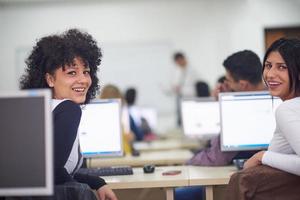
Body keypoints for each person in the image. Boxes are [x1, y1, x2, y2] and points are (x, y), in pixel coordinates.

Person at [19, 29, 117, 200]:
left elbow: (53, 172)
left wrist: (97, 182)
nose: (83, 79)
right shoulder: (68, 109)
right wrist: (92, 183)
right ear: (50, 79)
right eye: (72, 73)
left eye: (86, 71)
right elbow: (52, 173)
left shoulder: (39, 109)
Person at [175, 50, 265, 200]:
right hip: (264, 183)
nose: (225, 84)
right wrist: (226, 100)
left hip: (245, 186)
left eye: (228, 80)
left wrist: (188, 162)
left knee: (179, 195)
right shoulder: (274, 98)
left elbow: (216, 157)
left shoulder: (241, 109)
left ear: (242, 84)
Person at [226, 38, 300, 200]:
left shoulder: (286, 109)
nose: (270, 74)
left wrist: (262, 156)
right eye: (268, 66)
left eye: (282, 67)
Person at [171, 52, 199, 126]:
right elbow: (176, 84)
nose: (179, 63)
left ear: (184, 59)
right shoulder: (178, 71)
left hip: (190, 98)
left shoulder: (193, 71)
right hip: (180, 97)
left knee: (190, 120)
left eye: (180, 60)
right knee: (181, 119)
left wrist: (181, 90)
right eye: (177, 62)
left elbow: (194, 88)